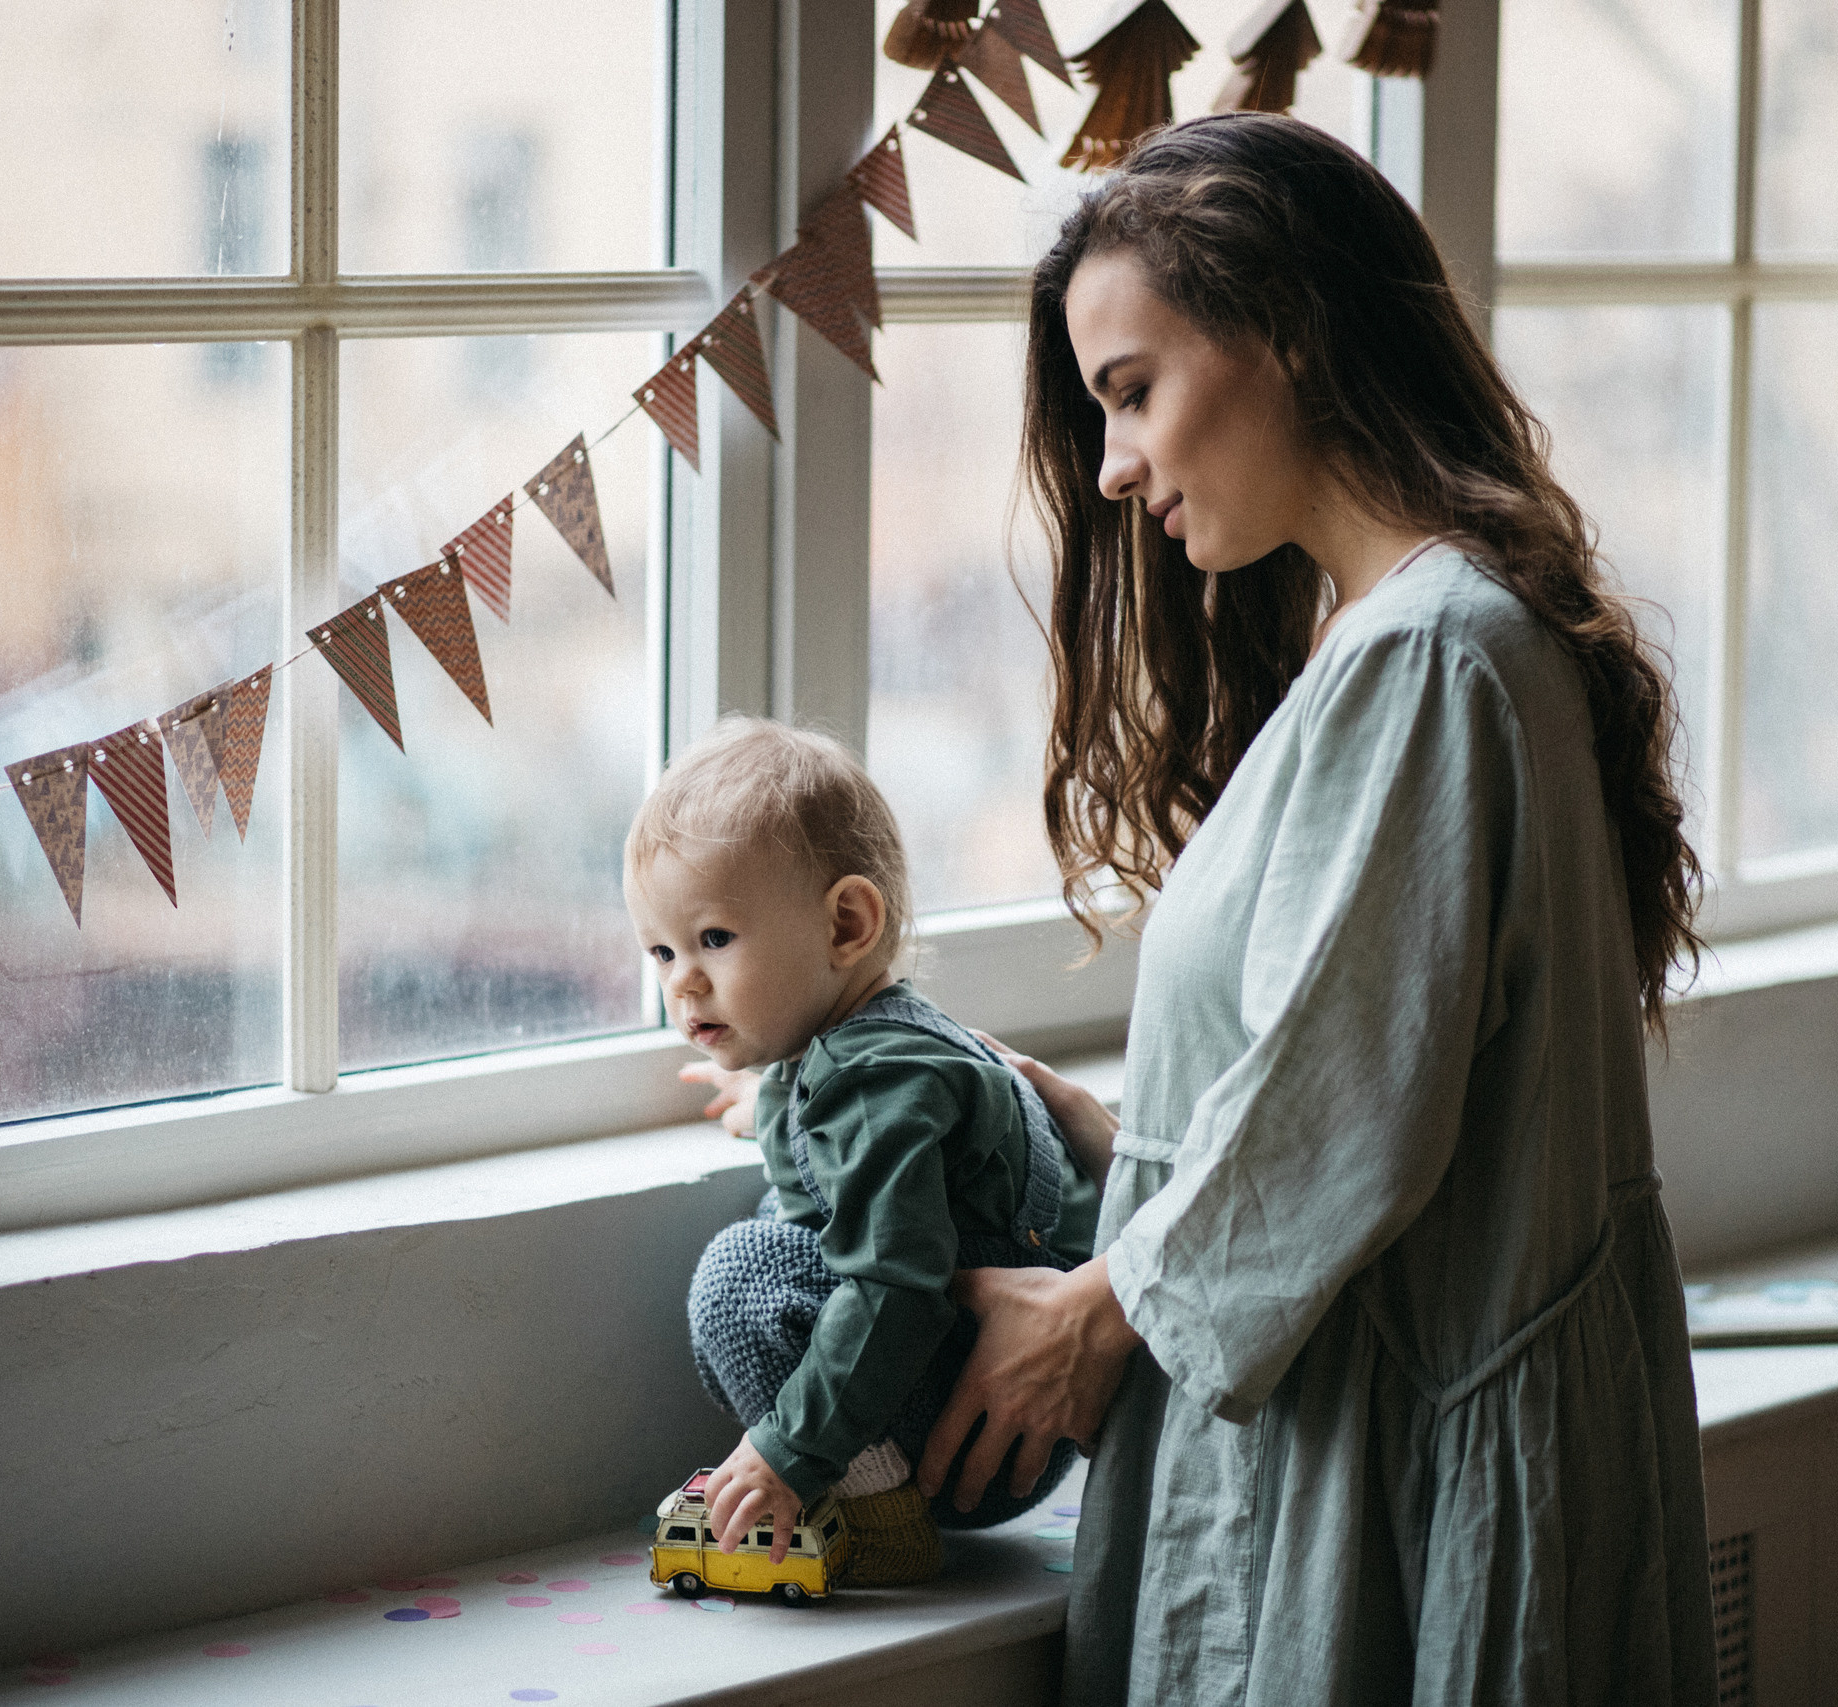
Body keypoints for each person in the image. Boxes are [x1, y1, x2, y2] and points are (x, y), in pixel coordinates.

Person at [909, 114, 1721, 1703]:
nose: (1114, 461)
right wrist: (1092, 1126)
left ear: (1286, 325)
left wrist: (1093, 1310)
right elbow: (1340, 1052)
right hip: (1385, 1437)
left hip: (1398, 1483)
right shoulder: (1404, 640)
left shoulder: (1428, 654)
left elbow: (1348, 1112)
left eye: (1134, 391)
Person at [629, 717, 1100, 1589]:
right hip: (976, 1407)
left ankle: (880, 1519)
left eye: (714, 940)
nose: (681, 981)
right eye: (662, 951)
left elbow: (895, 1287)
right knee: (786, 1221)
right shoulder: (860, 1047)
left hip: (978, 1429)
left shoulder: (873, 1081)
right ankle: (857, 1479)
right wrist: (765, 1093)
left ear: (847, 923)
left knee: (742, 1276)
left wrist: (783, 1451)